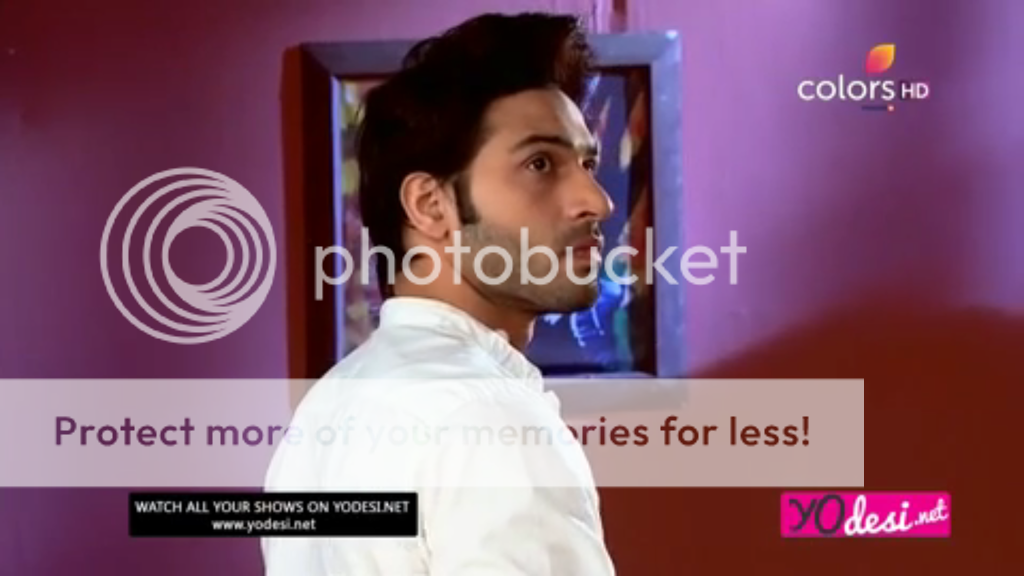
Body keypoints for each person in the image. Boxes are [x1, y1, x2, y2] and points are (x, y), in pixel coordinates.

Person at [263, 12, 616, 575]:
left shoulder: (328, 405)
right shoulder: (490, 418)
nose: (597, 201)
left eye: (588, 163)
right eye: (540, 163)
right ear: (430, 206)